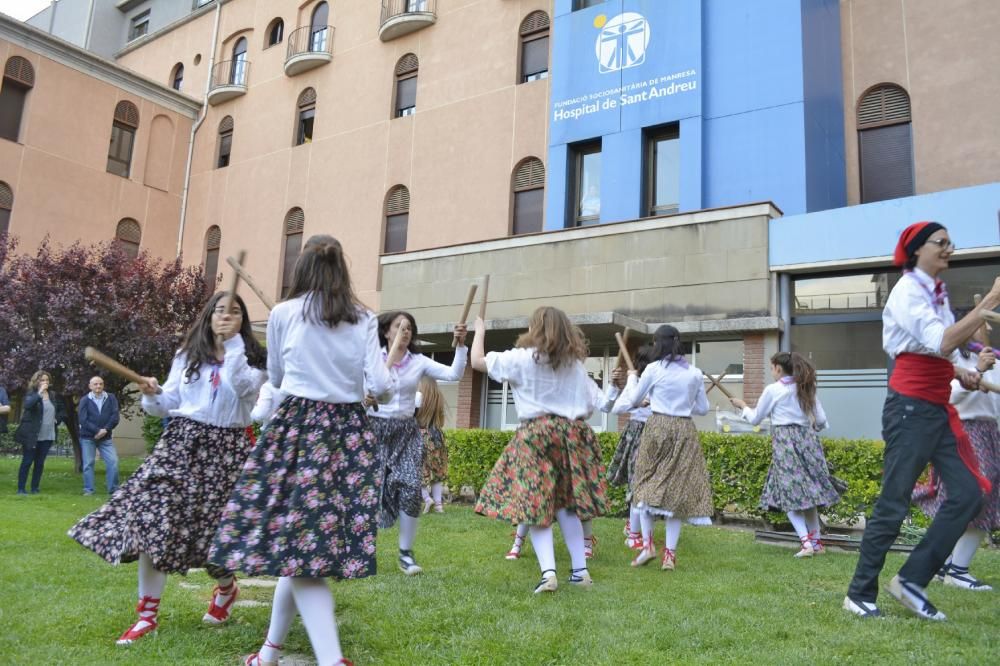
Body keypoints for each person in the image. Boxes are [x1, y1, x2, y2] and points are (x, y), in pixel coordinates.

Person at [209, 235, 399, 666]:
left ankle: (330, 661)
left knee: (301, 552)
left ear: (301, 269)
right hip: (347, 435)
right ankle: (268, 654)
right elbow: (382, 386)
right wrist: (377, 391)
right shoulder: (365, 318)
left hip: (297, 431)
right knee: (301, 550)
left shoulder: (284, 313)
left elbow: (275, 374)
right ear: (341, 270)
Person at [68, 291, 267, 644]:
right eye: (220, 310)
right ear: (207, 317)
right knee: (152, 519)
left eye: (235, 312)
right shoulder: (188, 355)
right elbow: (168, 404)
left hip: (227, 451)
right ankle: (147, 616)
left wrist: (232, 345)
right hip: (181, 443)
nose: (226, 316)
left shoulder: (254, 359)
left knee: (214, 537)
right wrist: (153, 392)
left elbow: (243, 392)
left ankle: (226, 588)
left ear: (243, 321)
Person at [844, 221, 1000, 620]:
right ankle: (859, 593)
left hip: (936, 408)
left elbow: (939, 355)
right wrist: (990, 302)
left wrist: (961, 372)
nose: (949, 248)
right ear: (917, 250)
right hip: (909, 409)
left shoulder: (937, 294)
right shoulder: (907, 290)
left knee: (968, 494)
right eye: (941, 242)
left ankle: (912, 581)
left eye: (951, 242)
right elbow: (940, 341)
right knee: (893, 504)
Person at [472, 306, 608, 593]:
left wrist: (480, 331)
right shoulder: (575, 366)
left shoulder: (522, 359)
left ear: (535, 327)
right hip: (570, 436)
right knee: (566, 506)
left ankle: (549, 574)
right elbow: (593, 404)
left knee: (536, 506)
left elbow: (477, 362)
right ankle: (580, 572)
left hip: (535, 435)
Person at [371, 310, 467, 576]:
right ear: (386, 332)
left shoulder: (419, 361)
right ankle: (359, 548)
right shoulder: (371, 358)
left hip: (405, 432)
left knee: (412, 488)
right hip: (373, 430)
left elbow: (454, 374)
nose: (405, 331)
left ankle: (405, 554)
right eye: (399, 326)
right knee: (368, 493)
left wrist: (459, 345)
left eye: (409, 328)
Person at [618, 325, 712, 571]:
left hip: (657, 427)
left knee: (644, 485)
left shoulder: (652, 369)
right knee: (676, 493)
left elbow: (636, 400)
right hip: (684, 430)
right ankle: (669, 555)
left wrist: (648, 395)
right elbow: (703, 408)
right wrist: (683, 405)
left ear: (658, 343)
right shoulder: (694, 373)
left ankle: (648, 544)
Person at [731, 352, 841, 557]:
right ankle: (816, 543)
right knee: (808, 497)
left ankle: (806, 543)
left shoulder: (773, 390)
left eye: (772, 368)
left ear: (778, 369)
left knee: (787, 495)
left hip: (785, 444)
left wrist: (743, 406)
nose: (771, 371)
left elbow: (755, 419)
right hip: (807, 442)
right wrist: (812, 428)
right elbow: (822, 419)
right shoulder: (805, 387)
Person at [913, 332, 998, 591]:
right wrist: (977, 371)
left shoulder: (993, 359)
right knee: (973, 498)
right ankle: (955, 569)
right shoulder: (950, 359)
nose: (984, 330)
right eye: (976, 325)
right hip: (961, 431)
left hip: (989, 433)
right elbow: (946, 397)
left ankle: (948, 565)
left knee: (986, 500)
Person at [603, 345, 654, 551]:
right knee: (637, 484)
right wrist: (637, 401)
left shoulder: (658, 381)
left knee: (647, 485)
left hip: (656, 434)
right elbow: (617, 408)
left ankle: (633, 527)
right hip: (637, 434)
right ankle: (633, 535)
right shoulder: (638, 382)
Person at [15, 370, 67, 495]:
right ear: (36, 381)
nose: (45, 382)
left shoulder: (53, 395)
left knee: (39, 463)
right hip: (32, 435)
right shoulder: (31, 394)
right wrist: (39, 393)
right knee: (27, 461)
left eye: (47, 380)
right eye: (42, 380)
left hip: (47, 435)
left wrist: (57, 419)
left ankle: (35, 488)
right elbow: (28, 405)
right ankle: (21, 489)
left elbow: (62, 410)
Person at [78, 375, 121, 496]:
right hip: (88, 438)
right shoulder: (85, 400)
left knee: (113, 462)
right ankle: (89, 490)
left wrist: (105, 430)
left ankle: (113, 490)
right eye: (95, 384)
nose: (98, 386)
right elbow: (83, 420)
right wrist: (97, 431)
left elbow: (115, 417)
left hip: (106, 437)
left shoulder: (111, 398)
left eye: (101, 384)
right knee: (88, 464)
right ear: (90, 386)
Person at [417, 376, 449, 515]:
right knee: (437, 473)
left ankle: (426, 498)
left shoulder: (418, 397)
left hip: (420, 436)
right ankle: (438, 506)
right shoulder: (439, 398)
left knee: (417, 471)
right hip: (437, 436)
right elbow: (441, 422)